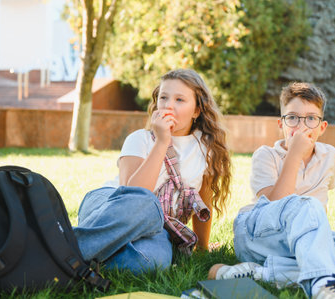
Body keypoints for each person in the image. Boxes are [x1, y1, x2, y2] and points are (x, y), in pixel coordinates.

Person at [207, 82, 335, 299]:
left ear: (321, 127)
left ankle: (261, 273)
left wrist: (313, 247)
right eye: (292, 117)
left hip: (299, 239)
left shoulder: (329, 155)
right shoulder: (266, 155)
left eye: (311, 118)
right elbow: (274, 205)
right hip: (258, 234)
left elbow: (319, 212)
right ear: (281, 124)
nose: (301, 126)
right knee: (307, 204)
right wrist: (294, 154)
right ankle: (325, 286)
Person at [73, 69, 231, 274]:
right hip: (107, 206)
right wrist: (163, 141)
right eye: (163, 97)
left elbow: (204, 200)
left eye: (180, 99)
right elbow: (131, 197)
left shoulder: (205, 149)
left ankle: (88, 257)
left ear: (196, 111)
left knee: (153, 263)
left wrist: (202, 248)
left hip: (155, 226)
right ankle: (64, 249)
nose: (168, 105)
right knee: (148, 204)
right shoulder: (140, 139)